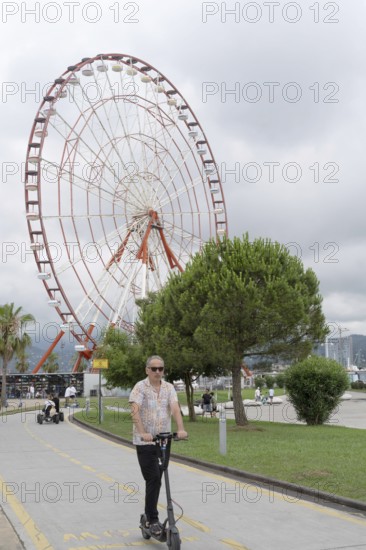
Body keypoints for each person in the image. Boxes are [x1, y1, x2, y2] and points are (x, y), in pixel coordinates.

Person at [129, 356, 187, 537]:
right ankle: (151, 519)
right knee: (153, 478)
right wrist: (142, 432)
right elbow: (134, 410)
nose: (157, 372)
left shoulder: (169, 388)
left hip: (164, 440)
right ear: (147, 370)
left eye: (160, 369)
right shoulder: (140, 387)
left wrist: (181, 429)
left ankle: (149, 514)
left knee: (158, 479)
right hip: (145, 442)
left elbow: (175, 408)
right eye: (153, 369)